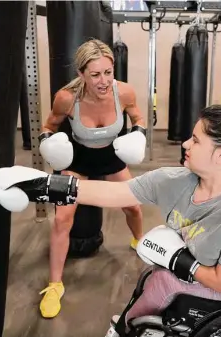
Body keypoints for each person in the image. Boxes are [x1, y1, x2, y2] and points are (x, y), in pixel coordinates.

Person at [0, 105, 221, 332]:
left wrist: (179, 261)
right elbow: (115, 194)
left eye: (196, 140)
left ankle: (125, 330)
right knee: (153, 277)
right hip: (213, 279)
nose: (185, 144)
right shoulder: (176, 181)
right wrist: (42, 186)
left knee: (163, 282)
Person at [36, 38, 146, 318]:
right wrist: (47, 141)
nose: (104, 80)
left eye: (108, 72)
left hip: (111, 157)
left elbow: (138, 118)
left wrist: (139, 134)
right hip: (76, 161)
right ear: (81, 73)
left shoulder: (125, 93)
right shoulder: (66, 97)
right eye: (95, 74)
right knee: (63, 219)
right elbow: (48, 125)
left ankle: (139, 241)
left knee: (133, 206)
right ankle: (54, 285)